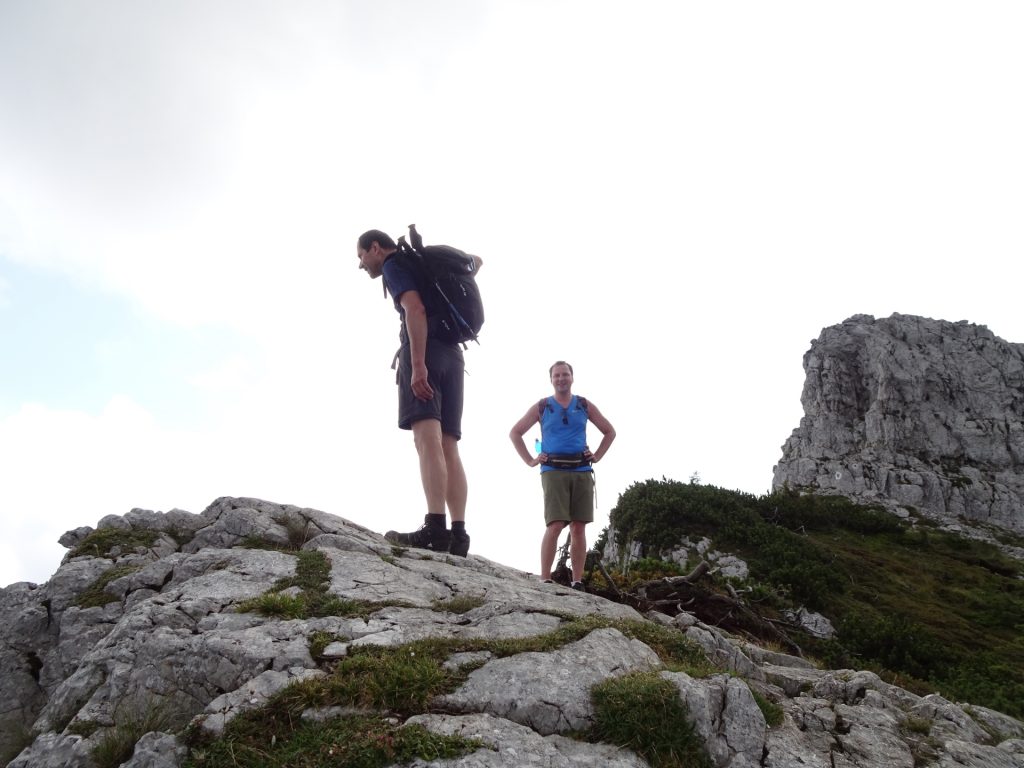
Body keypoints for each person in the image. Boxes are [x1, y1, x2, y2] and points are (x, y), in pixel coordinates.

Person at [356, 229, 482, 557]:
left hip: (425, 352)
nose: (361, 265)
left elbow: (415, 310)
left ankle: (435, 528)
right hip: (454, 355)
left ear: (375, 248)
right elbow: (475, 263)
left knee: (427, 441)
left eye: (361, 256)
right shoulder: (424, 263)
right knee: (448, 445)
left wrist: (418, 364)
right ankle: (458, 534)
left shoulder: (395, 266)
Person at [510, 360, 616, 588]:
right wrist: (530, 460)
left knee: (579, 526)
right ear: (551, 380)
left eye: (565, 374)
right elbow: (515, 432)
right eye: (556, 375)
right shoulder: (543, 406)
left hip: (581, 469)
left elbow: (609, 431)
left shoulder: (584, 405)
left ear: (572, 377)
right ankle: (545, 577)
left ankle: (577, 581)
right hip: (553, 470)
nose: (561, 379)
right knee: (555, 524)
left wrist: (596, 455)